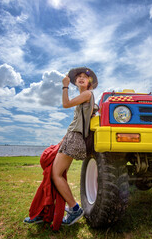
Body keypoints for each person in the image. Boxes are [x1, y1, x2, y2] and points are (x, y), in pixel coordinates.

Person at [51, 67, 98, 226]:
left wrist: (64, 86)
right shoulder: (86, 97)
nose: (81, 78)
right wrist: (64, 138)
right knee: (59, 173)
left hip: (75, 138)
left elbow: (65, 104)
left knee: (56, 174)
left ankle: (74, 208)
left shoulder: (87, 94)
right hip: (72, 136)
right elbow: (79, 120)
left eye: (85, 77)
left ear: (90, 82)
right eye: (78, 77)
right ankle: (66, 207)